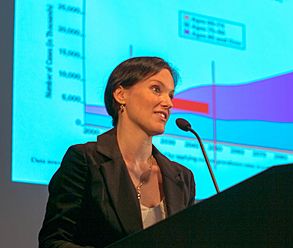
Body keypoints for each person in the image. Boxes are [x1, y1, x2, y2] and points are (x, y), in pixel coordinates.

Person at [39, 56, 195, 248]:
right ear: (121, 95)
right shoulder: (85, 160)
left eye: (170, 95)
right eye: (156, 89)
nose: (168, 103)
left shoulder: (182, 178)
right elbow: (53, 242)